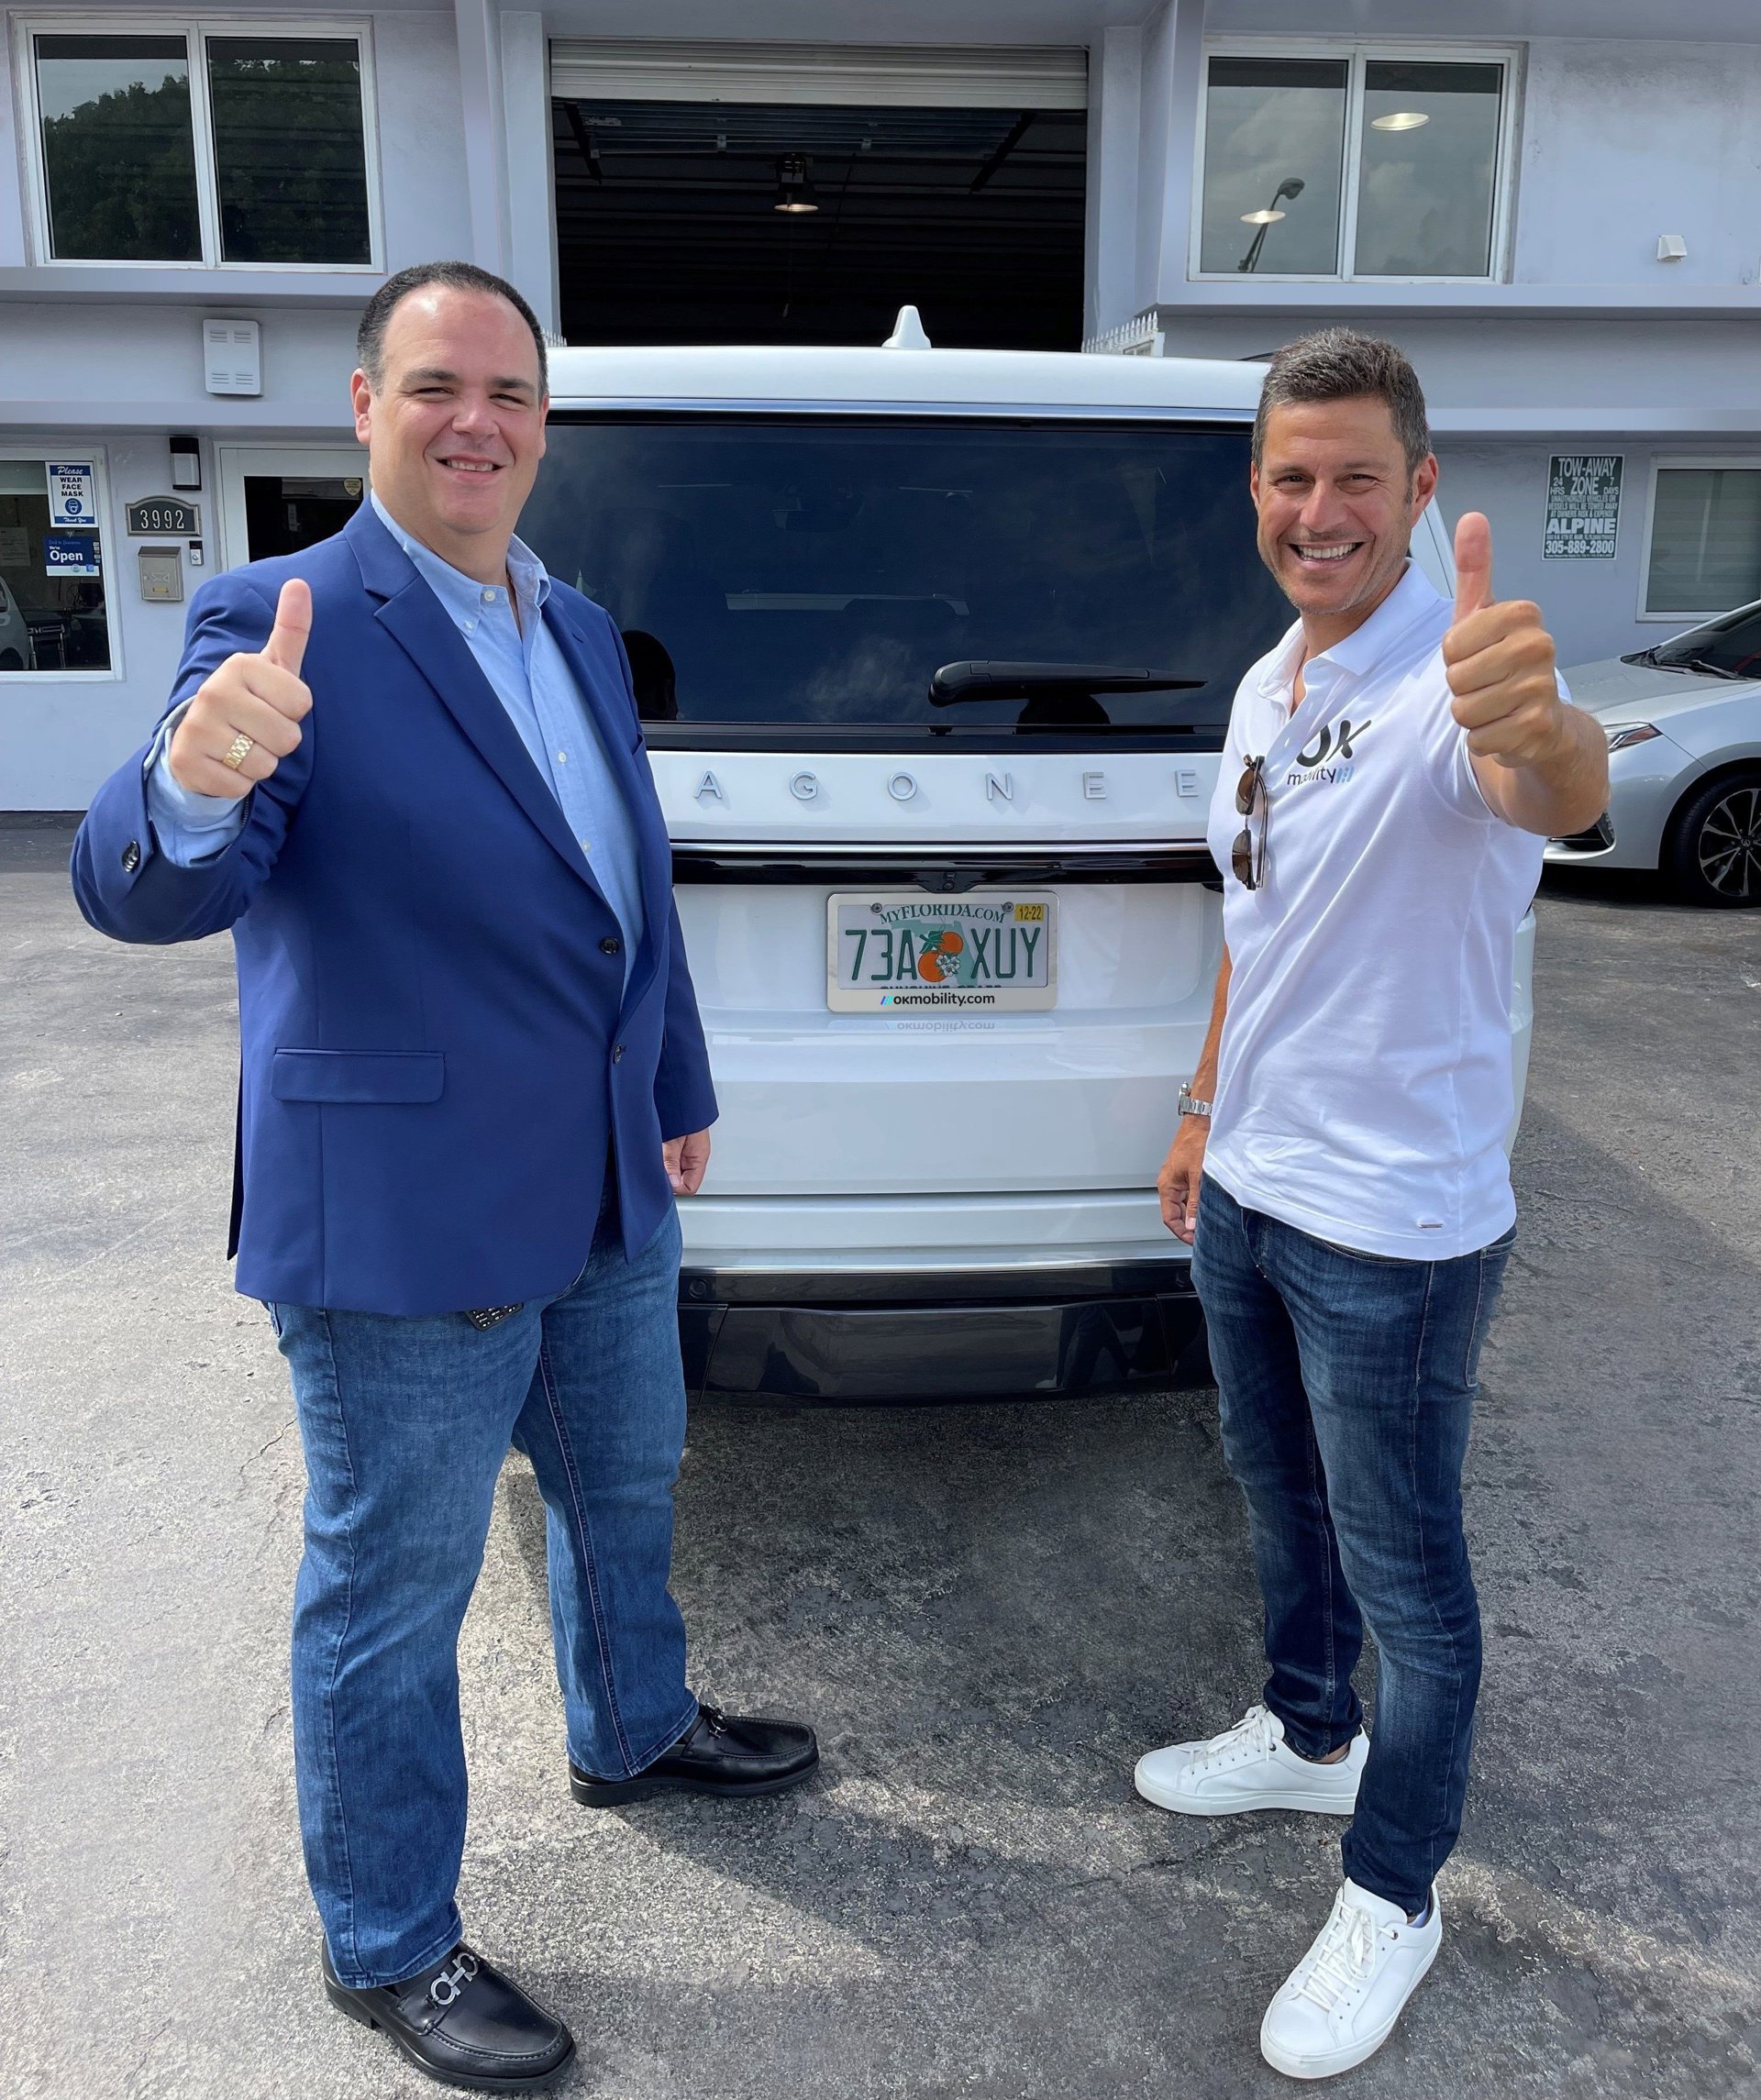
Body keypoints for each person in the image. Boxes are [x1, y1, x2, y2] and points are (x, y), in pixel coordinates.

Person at [71, 260, 817, 2094]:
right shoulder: (283, 616)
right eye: (435, 387)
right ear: (365, 407)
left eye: (509, 393)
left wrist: (677, 1075)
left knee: (624, 1481)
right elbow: (147, 886)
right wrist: (185, 784)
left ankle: (633, 1723)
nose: (476, 420)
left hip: (603, 1175)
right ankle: (390, 1937)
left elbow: (627, 882)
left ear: (543, 425)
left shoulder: (579, 626)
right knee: (392, 1590)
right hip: (404, 1208)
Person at [1140, 330, 1607, 2081]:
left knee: (1410, 1573)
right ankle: (1306, 1730)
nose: (1319, 508)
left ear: (1421, 490)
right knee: (1278, 1493)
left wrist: (1545, 733)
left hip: (1396, 1227)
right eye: (1291, 475)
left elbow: (1546, 786)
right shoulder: (1273, 681)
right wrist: (1204, 1105)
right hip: (1254, 1185)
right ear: (1255, 491)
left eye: (1356, 477)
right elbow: (1254, 916)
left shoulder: (1450, 686)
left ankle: (1396, 1887)